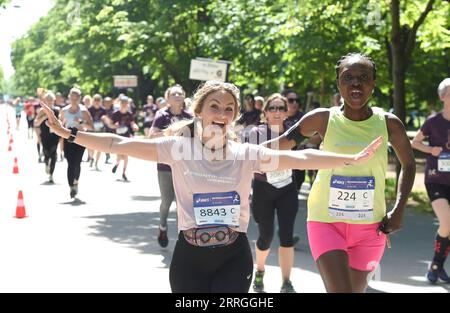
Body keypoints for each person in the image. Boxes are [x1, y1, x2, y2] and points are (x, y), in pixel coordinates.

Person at [39, 80, 382, 293]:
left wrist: (346, 158)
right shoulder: (177, 148)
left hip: (234, 256)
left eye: (229, 109)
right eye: (214, 106)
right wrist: (69, 133)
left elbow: (303, 158)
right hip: (189, 256)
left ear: (234, 116)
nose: (222, 113)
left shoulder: (246, 154)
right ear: (199, 110)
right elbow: (117, 143)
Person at [266, 53, 415, 293]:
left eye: (363, 78)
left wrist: (398, 209)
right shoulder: (322, 118)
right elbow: (281, 144)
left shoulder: (389, 123)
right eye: (348, 78)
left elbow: (409, 165)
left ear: (373, 83)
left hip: (371, 228)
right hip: (326, 222)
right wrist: (236, 152)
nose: (356, 83)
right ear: (338, 83)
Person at [249, 93, 299, 293]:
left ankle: (286, 282)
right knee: (266, 236)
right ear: (266, 113)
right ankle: (260, 270)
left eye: (281, 108)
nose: (277, 112)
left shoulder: (293, 132)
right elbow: (250, 159)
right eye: (273, 108)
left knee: (286, 237)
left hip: (287, 188)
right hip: (263, 189)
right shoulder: (256, 132)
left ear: (286, 113)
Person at [411, 77, 450, 284]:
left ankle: (437, 266)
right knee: (446, 221)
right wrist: (431, 149)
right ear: (443, 97)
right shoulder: (433, 122)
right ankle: (436, 265)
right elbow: (415, 142)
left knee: (448, 226)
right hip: (436, 179)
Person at [149, 84, 193, 247]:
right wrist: (171, 132)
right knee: (167, 200)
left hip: (185, 165)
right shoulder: (162, 115)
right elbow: (151, 136)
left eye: (179, 93)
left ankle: (184, 235)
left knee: (183, 202)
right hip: (165, 165)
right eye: (173, 93)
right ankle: (162, 226)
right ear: (167, 98)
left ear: (183, 97)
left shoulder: (189, 116)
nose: (176, 95)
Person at [60, 87, 94, 198]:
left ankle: (76, 182)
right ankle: (71, 187)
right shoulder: (64, 111)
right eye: (72, 98)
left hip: (80, 138)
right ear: (69, 97)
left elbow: (91, 127)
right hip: (68, 138)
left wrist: (81, 122)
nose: (74, 100)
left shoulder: (83, 111)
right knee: (70, 163)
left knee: (77, 162)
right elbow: (61, 125)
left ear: (79, 98)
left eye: (76, 98)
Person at [103, 95, 139, 181]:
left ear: (128, 104)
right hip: (117, 137)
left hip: (126, 136)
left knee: (125, 155)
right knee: (119, 155)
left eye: (126, 103)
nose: (124, 104)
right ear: (120, 103)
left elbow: (132, 123)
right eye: (122, 103)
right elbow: (110, 125)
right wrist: (114, 126)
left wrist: (135, 126)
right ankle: (117, 163)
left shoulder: (129, 114)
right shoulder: (116, 113)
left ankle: (124, 173)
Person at [34, 91, 60, 183]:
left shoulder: (57, 110)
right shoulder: (42, 110)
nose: (49, 101)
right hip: (45, 135)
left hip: (55, 135)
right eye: (48, 100)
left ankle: (51, 175)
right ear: (45, 100)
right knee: (46, 152)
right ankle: (46, 163)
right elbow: (36, 123)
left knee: (54, 154)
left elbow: (60, 123)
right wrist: (44, 117)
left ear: (54, 100)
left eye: (51, 100)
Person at [88, 94, 106, 170]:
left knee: (100, 147)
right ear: (93, 101)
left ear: (101, 101)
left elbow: (105, 120)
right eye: (95, 100)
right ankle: (92, 158)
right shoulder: (89, 109)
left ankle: (96, 163)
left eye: (98, 100)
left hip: (100, 130)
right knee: (90, 146)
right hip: (91, 130)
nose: (97, 102)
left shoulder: (103, 110)